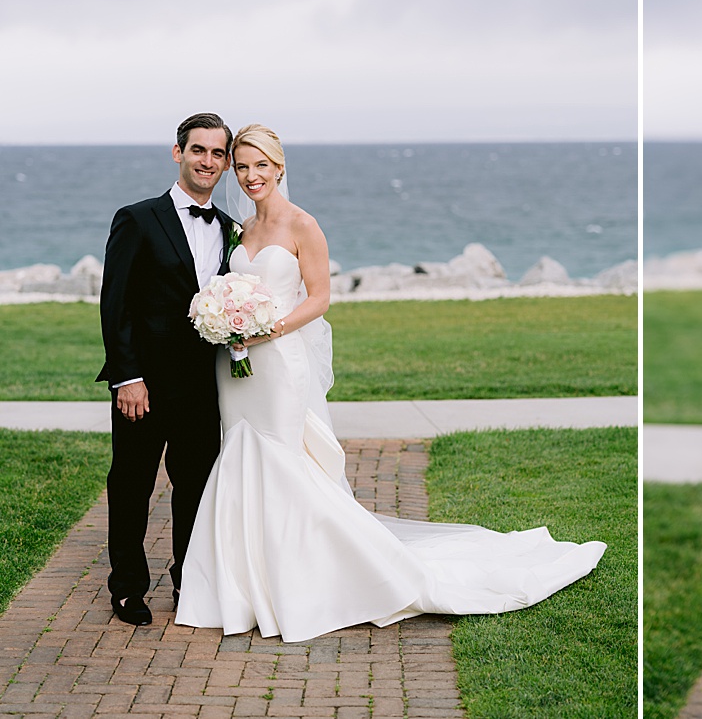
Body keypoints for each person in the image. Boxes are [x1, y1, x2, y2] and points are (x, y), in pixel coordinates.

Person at [175, 124, 606, 643]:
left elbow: (319, 298)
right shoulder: (241, 229)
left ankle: (303, 582)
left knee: (284, 462)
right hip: (238, 368)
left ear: (280, 167)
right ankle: (243, 583)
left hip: (280, 364)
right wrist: (227, 322)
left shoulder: (303, 225)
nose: (250, 176)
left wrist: (267, 329)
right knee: (242, 456)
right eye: (241, 167)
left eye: (260, 165)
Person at [98, 113, 236, 626]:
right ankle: (129, 588)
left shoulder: (230, 230)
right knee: (132, 484)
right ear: (177, 153)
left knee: (196, 488)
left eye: (217, 153)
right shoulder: (137, 218)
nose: (207, 161)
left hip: (203, 386)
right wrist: (126, 376)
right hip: (145, 386)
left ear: (225, 162)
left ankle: (188, 583)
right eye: (198, 150)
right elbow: (116, 305)